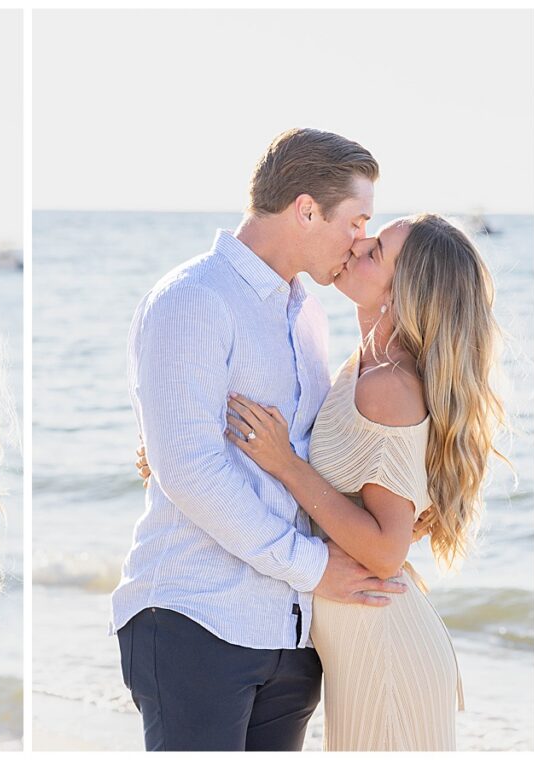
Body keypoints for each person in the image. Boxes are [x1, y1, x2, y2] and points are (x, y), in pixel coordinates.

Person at [112, 128, 408, 751]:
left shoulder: (308, 312)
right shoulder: (192, 299)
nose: (361, 240)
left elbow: (311, 454)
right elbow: (189, 471)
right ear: (305, 209)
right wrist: (313, 568)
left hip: (290, 635)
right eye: (356, 221)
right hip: (197, 618)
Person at [226, 213, 505, 749]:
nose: (356, 246)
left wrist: (285, 463)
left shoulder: (388, 386)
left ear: (405, 292)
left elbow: (384, 550)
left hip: (385, 651)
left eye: (376, 251)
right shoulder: (366, 366)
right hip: (365, 644)